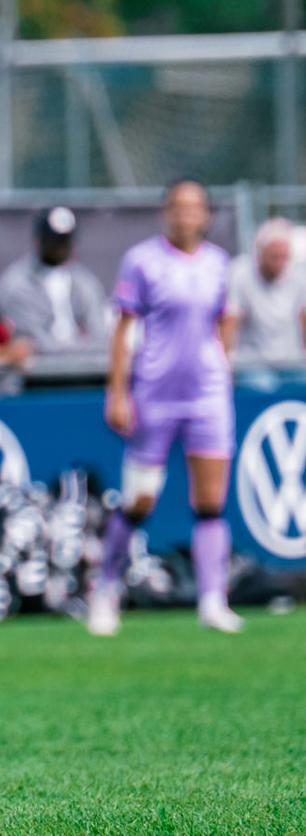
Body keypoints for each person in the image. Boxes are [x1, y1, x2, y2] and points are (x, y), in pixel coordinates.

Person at [95, 178, 241, 636]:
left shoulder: (220, 265)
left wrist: (220, 362)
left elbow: (227, 319)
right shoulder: (142, 261)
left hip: (208, 396)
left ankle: (212, 600)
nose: (185, 215)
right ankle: (105, 589)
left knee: (211, 502)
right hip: (155, 396)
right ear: (165, 212)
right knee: (139, 501)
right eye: (177, 207)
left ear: (206, 215)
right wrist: (118, 392)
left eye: (194, 207)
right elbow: (123, 329)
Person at [0, 206, 109, 355]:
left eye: (65, 241)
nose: (60, 247)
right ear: (38, 240)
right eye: (53, 240)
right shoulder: (18, 284)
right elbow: (36, 344)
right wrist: (80, 342)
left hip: (86, 371)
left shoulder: (85, 282)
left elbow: (99, 337)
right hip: (36, 375)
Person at [223, 217, 306, 368]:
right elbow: (231, 320)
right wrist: (225, 360)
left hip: (292, 362)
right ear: (259, 253)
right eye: (274, 257)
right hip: (251, 363)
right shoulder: (240, 273)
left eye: (284, 257)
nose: (280, 263)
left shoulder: (300, 275)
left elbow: (304, 318)